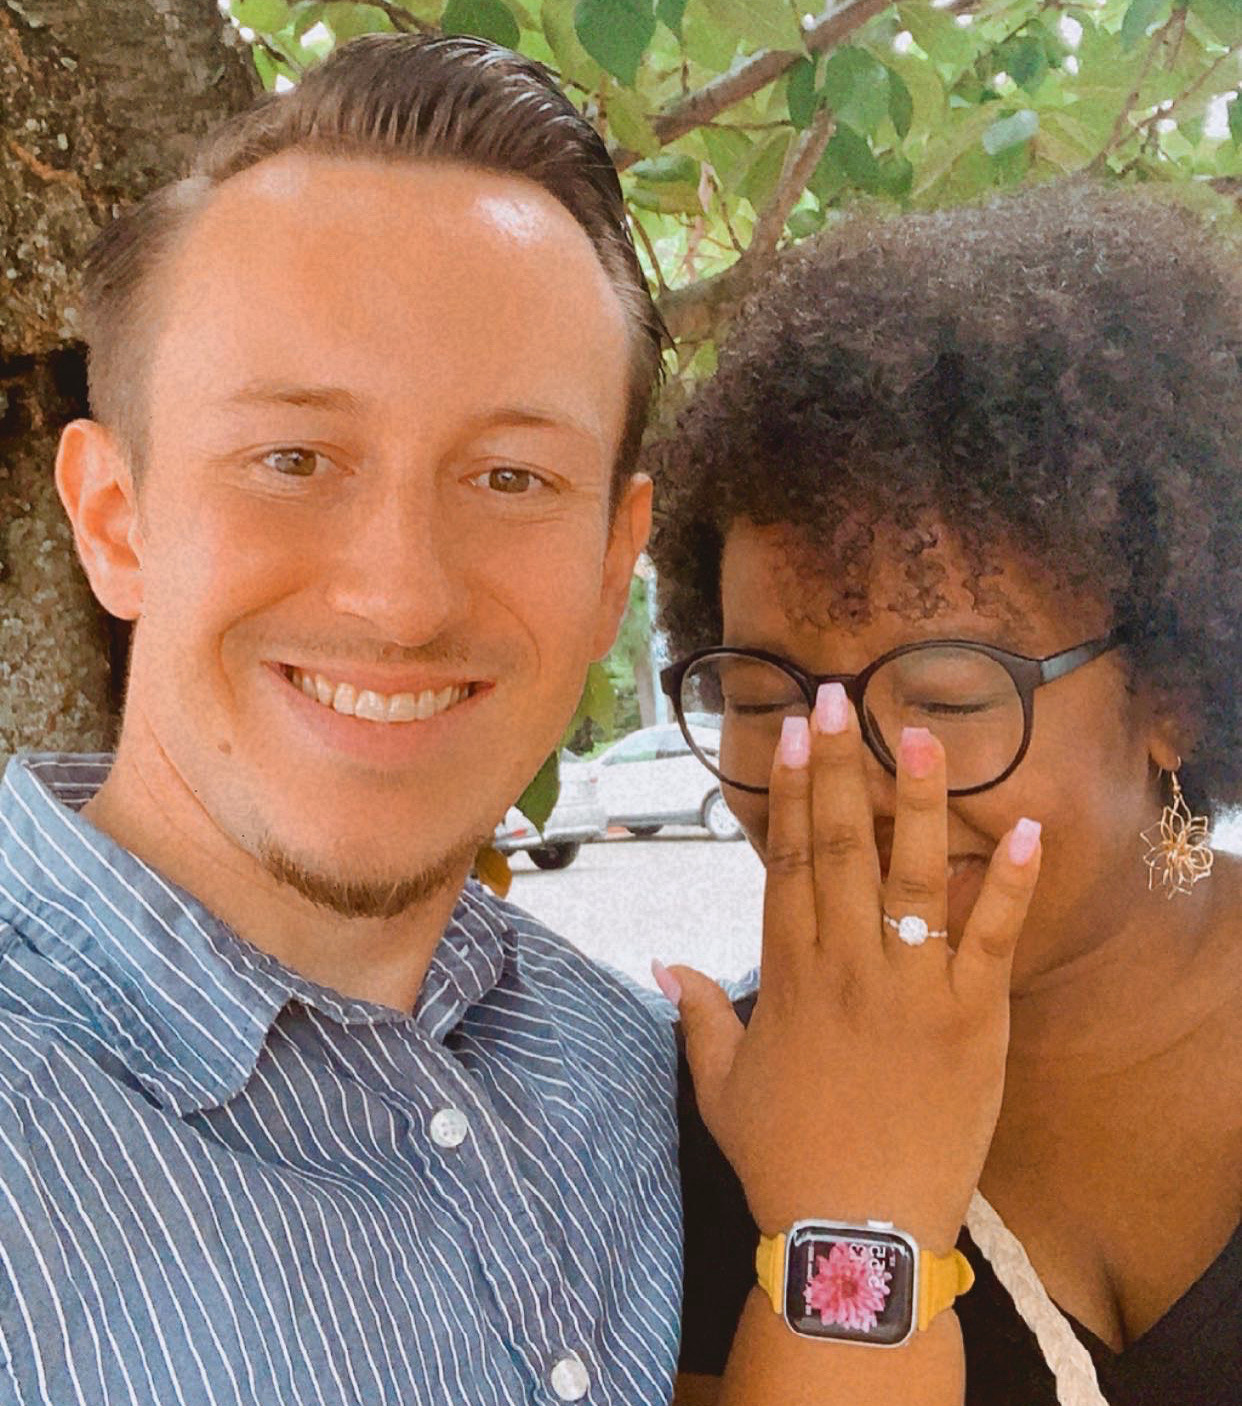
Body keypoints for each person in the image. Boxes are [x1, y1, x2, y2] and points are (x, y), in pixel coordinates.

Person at [0, 33, 681, 1405]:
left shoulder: (619, 1072)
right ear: (115, 521)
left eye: (508, 474)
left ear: (614, 566)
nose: (401, 598)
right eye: (292, 458)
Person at [648, 182, 1241, 1405]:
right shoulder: (709, 1121)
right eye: (763, 697)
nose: (839, 783)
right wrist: (849, 1210)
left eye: (950, 695)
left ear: (1176, 683)